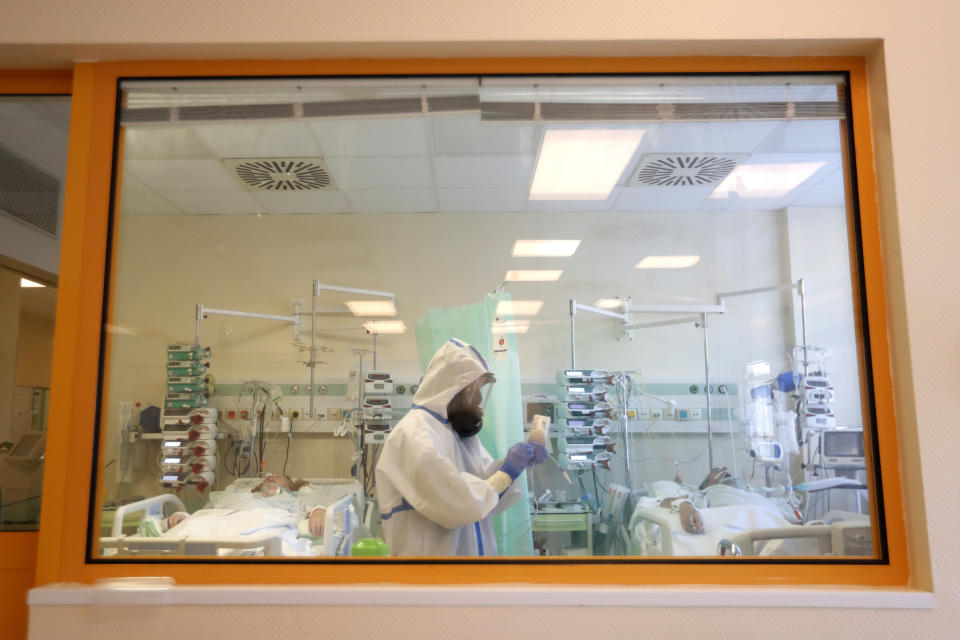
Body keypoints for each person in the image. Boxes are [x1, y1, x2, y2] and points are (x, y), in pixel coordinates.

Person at [375, 339, 547, 556]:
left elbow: (487, 497)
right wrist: (507, 472)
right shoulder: (414, 433)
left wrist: (514, 466)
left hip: (466, 575)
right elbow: (458, 503)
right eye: (474, 389)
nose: (479, 398)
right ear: (451, 387)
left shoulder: (459, 437)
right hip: (429, 578)